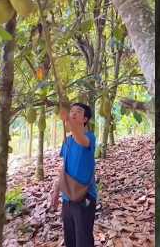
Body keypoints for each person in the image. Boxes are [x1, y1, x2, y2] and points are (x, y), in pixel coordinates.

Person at [50, 102, 97, 247]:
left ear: (85, 119)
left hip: (84, 197)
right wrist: (56, 190)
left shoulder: (89, 137)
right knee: (70, 239)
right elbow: (64, 166)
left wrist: (69, 120)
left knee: (83, 241)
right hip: (67, 198)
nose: (73, 114)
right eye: (71, 112)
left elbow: (82, 140)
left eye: (78, 112)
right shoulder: (67, 141)